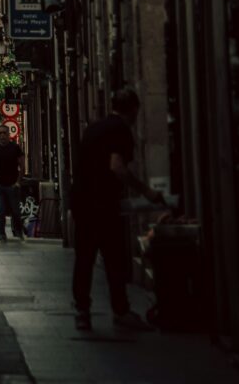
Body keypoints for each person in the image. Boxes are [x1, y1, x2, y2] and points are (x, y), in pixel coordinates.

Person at [70, 86, 164, 332]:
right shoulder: (121, 130)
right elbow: (117, 166)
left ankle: (82, 311)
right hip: (103, 205)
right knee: (114, 259)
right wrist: (146, 191)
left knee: (84, 259)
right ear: (133, 110)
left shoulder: (93, 129)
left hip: (82, 203)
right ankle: (121, 311)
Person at [0, 125, 25, 240]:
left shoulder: (15, 148)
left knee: (15, 211)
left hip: (12, 184)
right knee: (0, 210)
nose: (2, 135)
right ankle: (1, 233)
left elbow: (22, 165)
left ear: (9, 134)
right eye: (0, 133)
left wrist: (18, 182)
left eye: (4, 133)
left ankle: (18, 231)